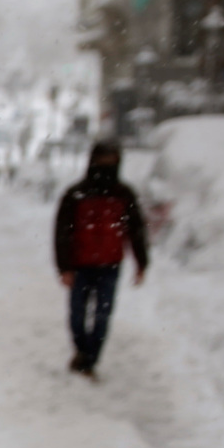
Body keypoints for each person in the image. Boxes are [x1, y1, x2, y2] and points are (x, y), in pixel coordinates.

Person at [53, 141, 149, 379]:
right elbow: (63, 232)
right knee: (77, 315)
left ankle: (89, 359)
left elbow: (136, 229)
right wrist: (64, 267)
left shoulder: (123, 194)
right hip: (80, 265)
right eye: (103, 159)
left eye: (111, 159)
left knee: (101, 317)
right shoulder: (76, 194)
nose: (106, 165)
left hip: (110, 265)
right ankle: (82, 351)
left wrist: (142, 262)